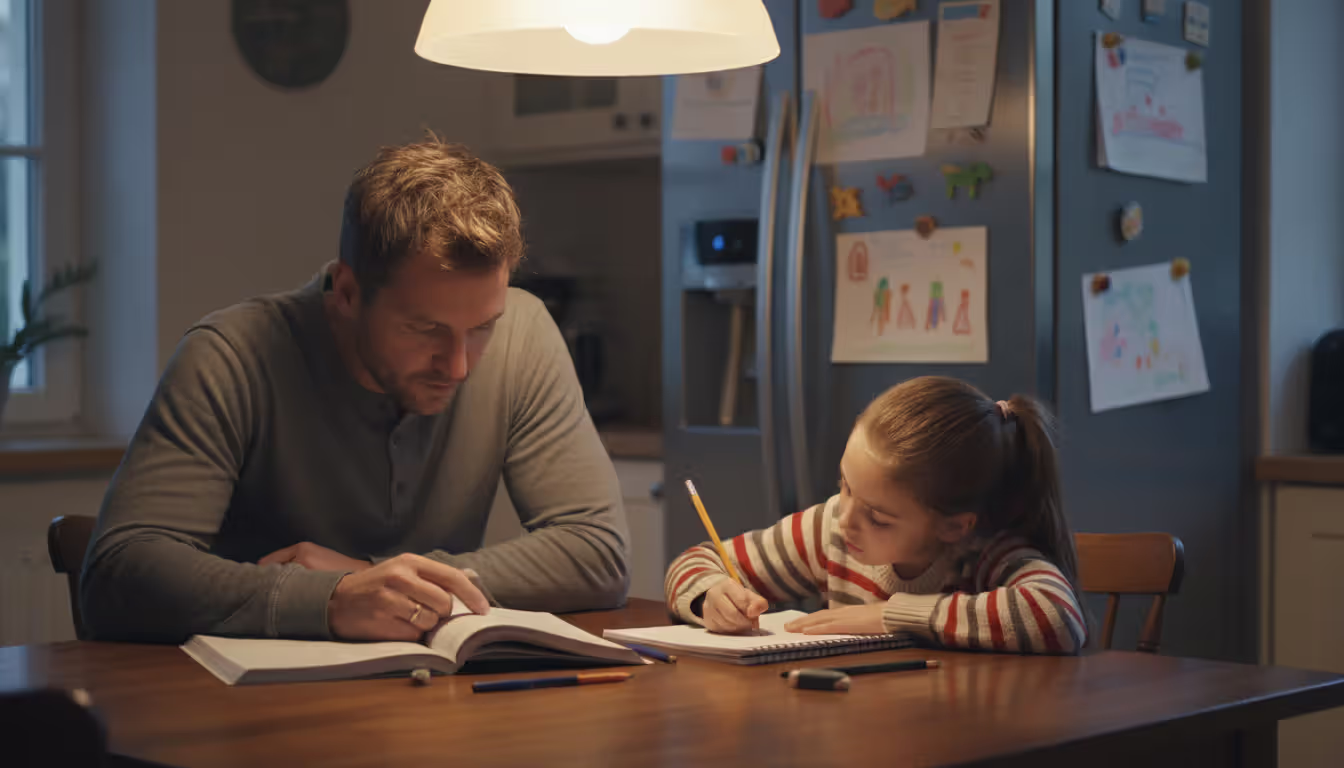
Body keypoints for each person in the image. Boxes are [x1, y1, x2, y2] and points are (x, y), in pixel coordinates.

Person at [82, 138, 629, 643]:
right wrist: (330, 601)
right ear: (347, 292)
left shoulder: (524, 333)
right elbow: (120, 572)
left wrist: (372, 580)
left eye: (482, 327)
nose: (458, 366)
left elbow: (597, 553)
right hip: (246, 709)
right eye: (424, 328)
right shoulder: (231, 354)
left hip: (436, 704)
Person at [664, 376, 1086, 655]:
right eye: (844, 485)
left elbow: (1056, 614)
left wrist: (888, 616)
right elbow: (694, 562)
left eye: (878, 518)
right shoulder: (828, 530)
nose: (845, 518)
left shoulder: (984, 553)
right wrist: (712, 595)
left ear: (954, 526)